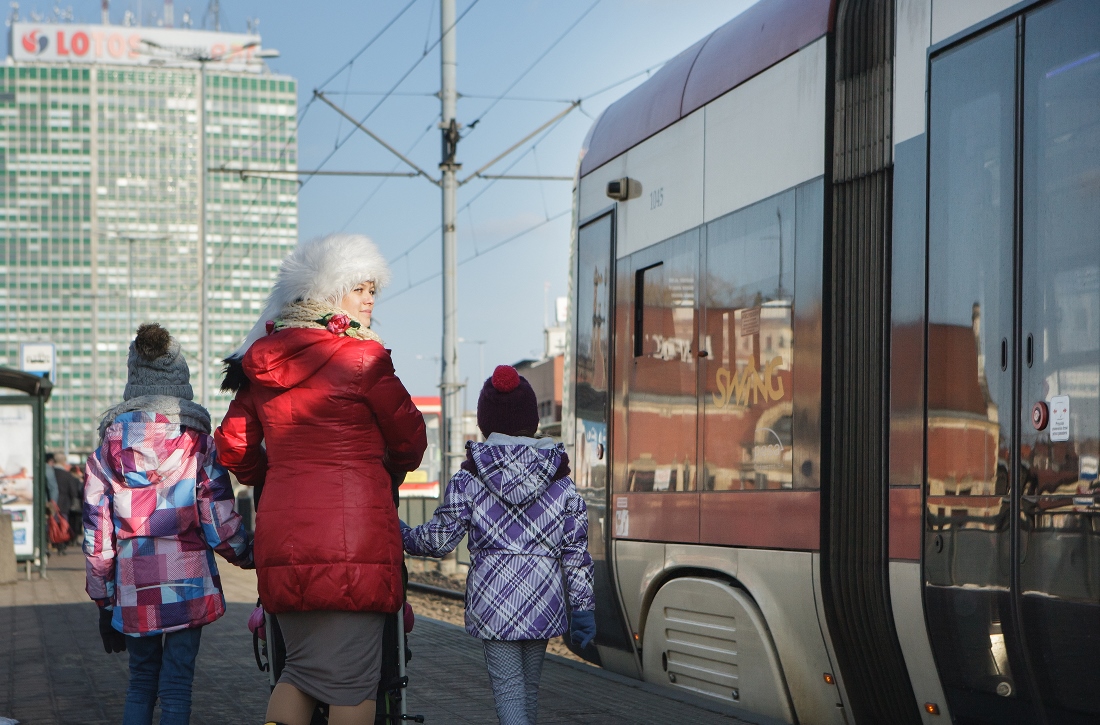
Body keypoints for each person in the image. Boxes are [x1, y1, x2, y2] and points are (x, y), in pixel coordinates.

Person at [214, 233, 427, 725]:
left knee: (301, 674)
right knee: (353, 687)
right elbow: (411, 440)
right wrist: (382, 469)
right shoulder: (364, 360)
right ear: (329, 294)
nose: (370, 298)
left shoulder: (262, 362)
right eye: (359, 288)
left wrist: (276, 476)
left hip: (284, 543)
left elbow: (233, 446)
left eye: (374, 288)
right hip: (354, 543)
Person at [402, 365, 597, 725]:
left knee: (509, 694)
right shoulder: (561, 480)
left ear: (485, 421)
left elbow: (441, 539)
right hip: (544, 599)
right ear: (532, 421)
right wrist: (583, 608)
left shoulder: (469, 479)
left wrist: (400, 533)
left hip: (495, 602)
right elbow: (576, 553)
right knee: (529, 693)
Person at [83, 322, 253, 725]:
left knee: (140, 681)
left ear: (133, 380)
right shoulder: (197, 444)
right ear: (182, 380)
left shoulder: (106, 451)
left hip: (133, 581)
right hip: (187, 579)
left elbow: (96, 537)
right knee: (177, 685)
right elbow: (217, 517)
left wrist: (103, 602)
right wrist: (247, 554)